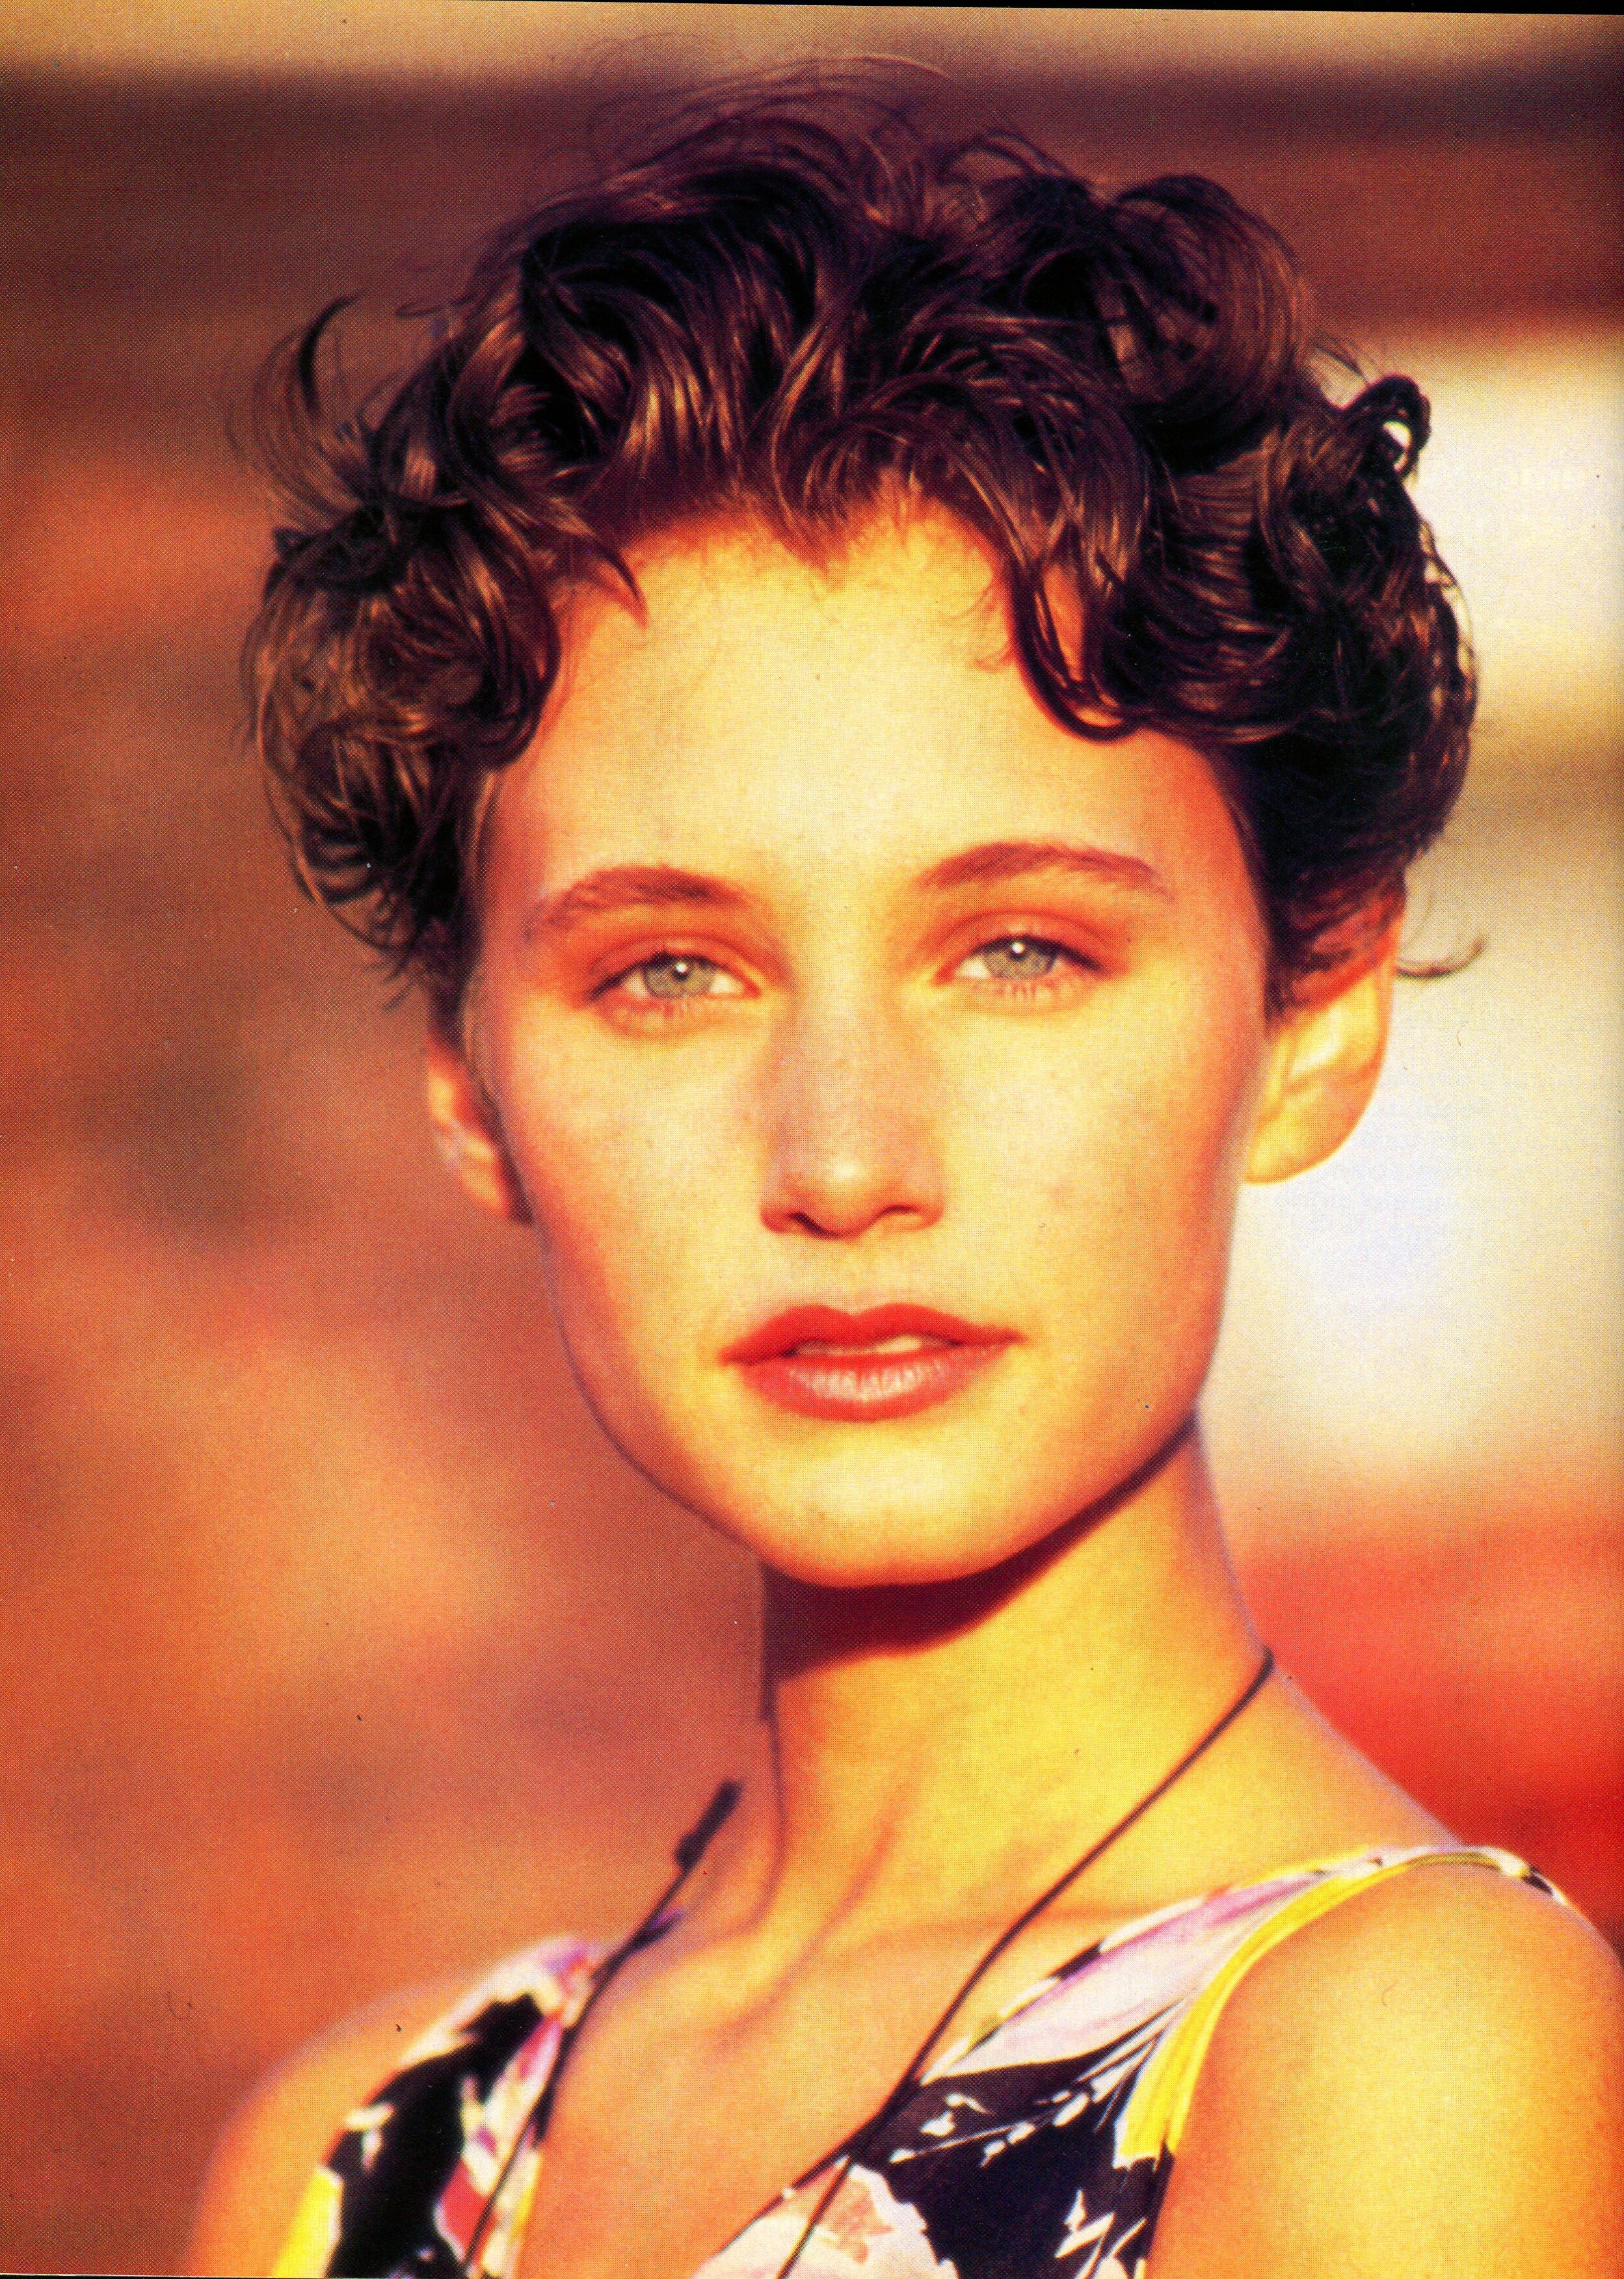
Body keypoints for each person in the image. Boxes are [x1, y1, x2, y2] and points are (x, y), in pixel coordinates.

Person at [187, 90, 1623, 2279]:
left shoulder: (1400, 2052)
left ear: (1311, 1018)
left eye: (1020, 951)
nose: (843, 1159)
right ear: (471, 1088)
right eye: (669, 972)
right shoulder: (344, 2159)